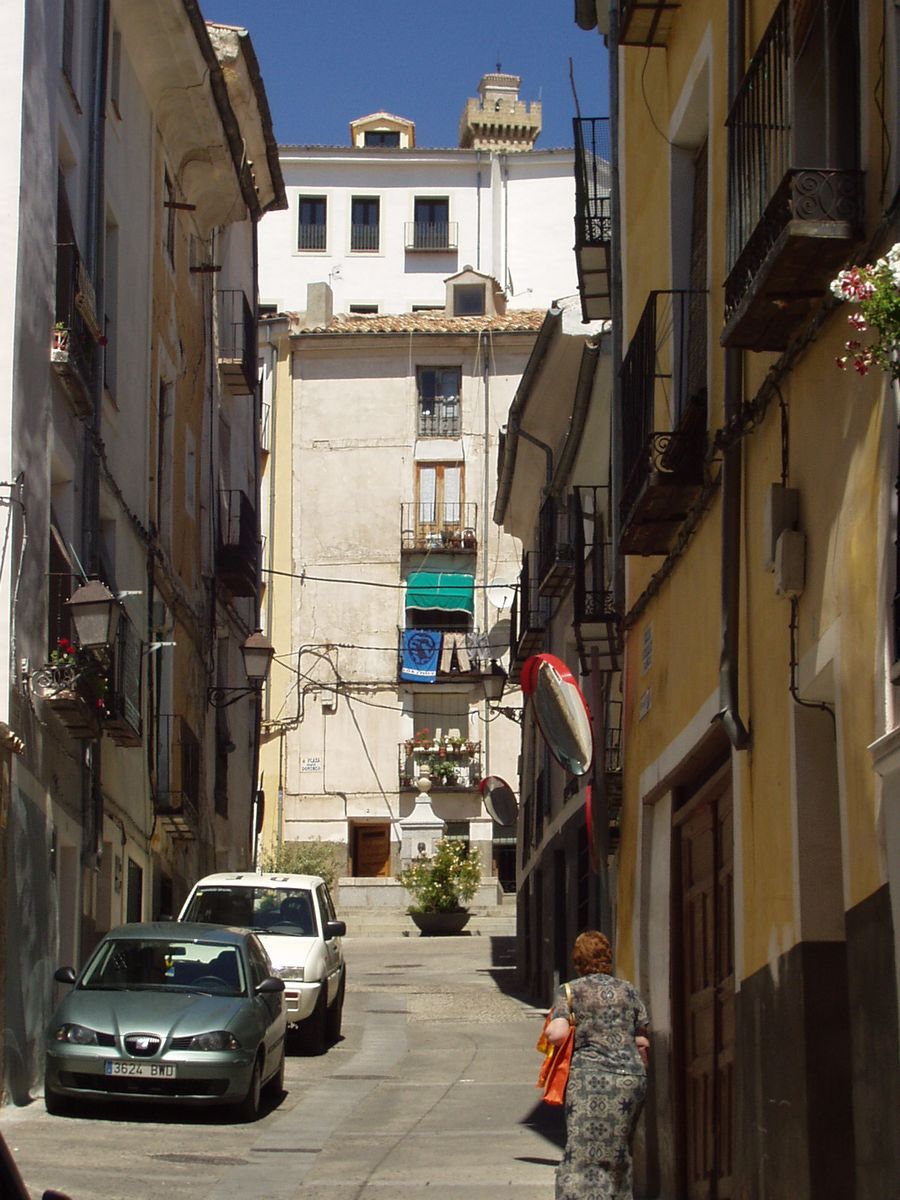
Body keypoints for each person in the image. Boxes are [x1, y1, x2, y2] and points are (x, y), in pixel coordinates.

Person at [544, 930, 649, 1200]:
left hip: (590, 1080)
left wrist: (555, 1023)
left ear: (578, 960)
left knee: (583, 1152)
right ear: (607, 958)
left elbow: (556, 1034)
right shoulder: (629, 990)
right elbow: (642, 1041)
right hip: (630, 1079)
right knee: (619, 1151)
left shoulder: (570, 991)